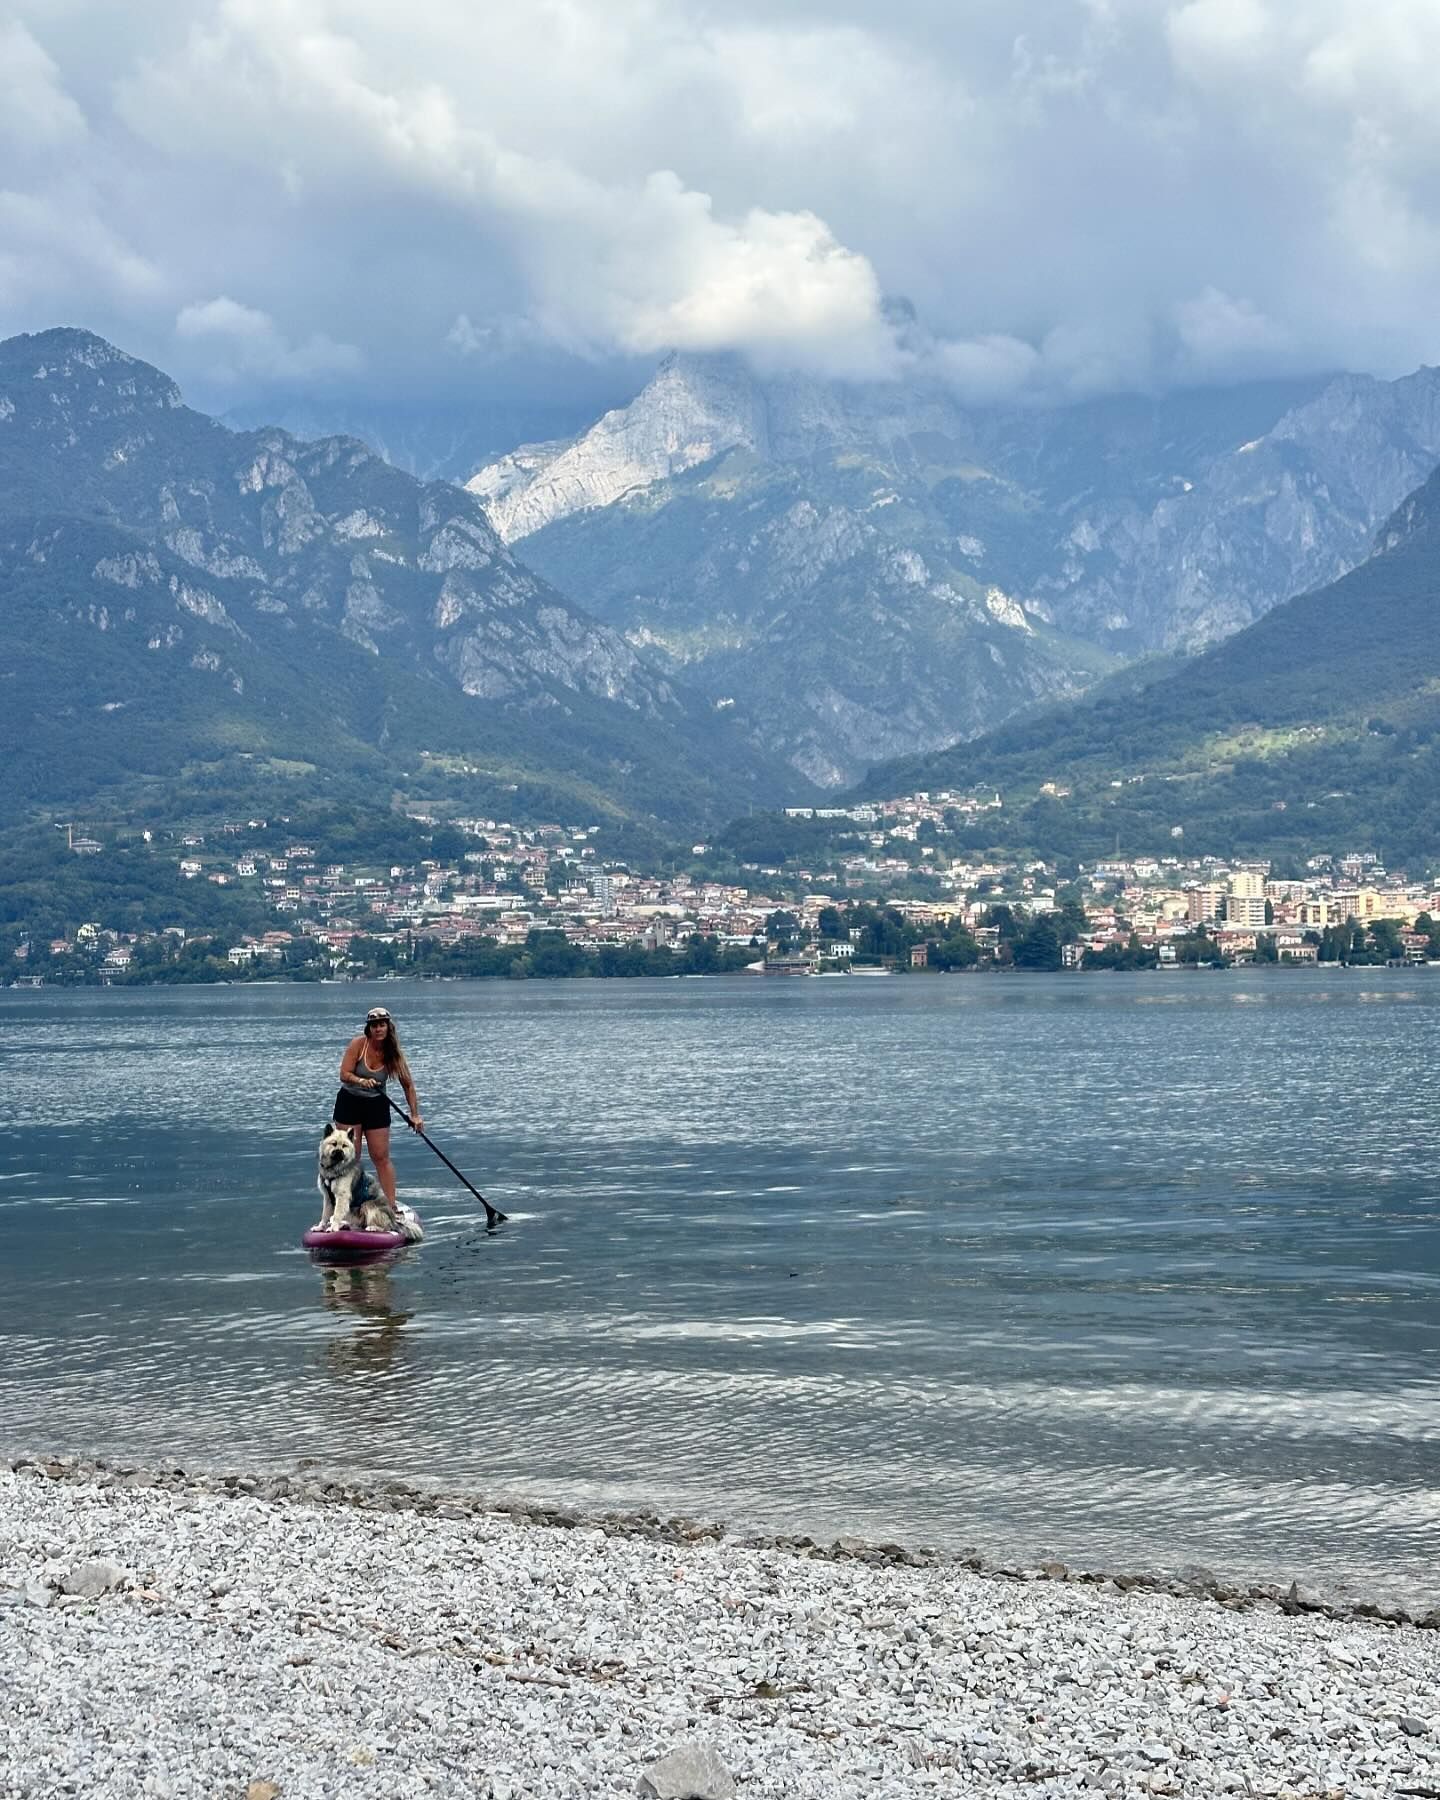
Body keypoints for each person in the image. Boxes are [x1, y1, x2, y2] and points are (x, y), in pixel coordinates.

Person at [333, 1006, 423, 1210]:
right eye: (374, 1026)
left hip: (377, 1104)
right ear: (369, 1029)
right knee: (350, 1158)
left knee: (381, 1157)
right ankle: (345, 1208)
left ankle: (391, 1208)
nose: (378, 1029)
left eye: (382, 1025)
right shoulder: (358, 1044)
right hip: (350, 1101)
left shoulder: (394, 1054)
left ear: (388, 1028)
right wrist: (360, 1080)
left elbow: (408, 1085)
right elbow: (344, 1074)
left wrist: (415, 1115)